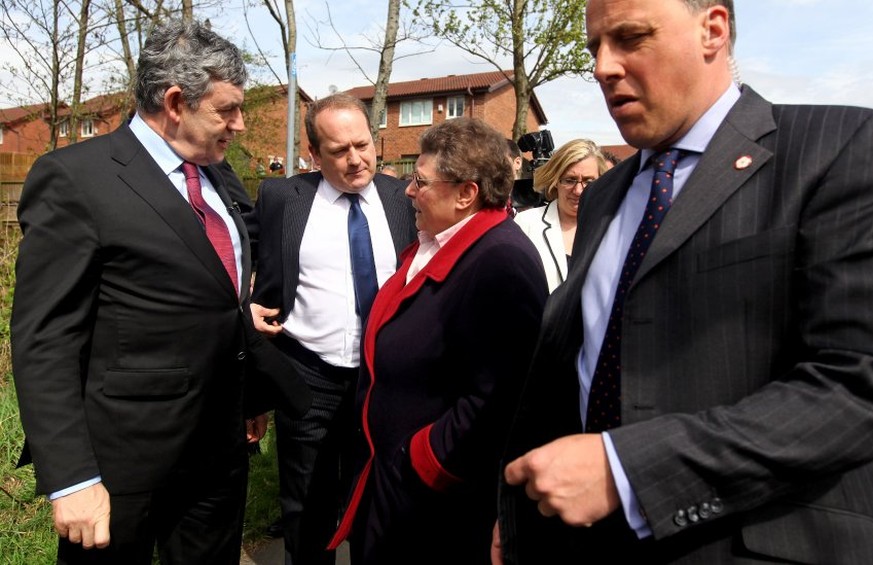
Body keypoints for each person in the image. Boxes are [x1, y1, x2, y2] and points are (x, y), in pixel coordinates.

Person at [496, 0, 873, 563]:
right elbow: (572, 364)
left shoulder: (838, 147)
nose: (602, 66)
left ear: (712, 30)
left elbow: (854, 383)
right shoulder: (604, 195)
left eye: (630, 37)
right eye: (594, 46)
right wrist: (514, 516)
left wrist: (631, 471)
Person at [11, 19, 310, 565]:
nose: (240, 125)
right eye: (227, 110)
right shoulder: (77, 178)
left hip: (219, 451)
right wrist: (72, 477)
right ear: (175, 102)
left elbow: (216, 292)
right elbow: (45, 339)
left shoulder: (220, 178)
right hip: (123, 463)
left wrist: (248, 389)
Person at [327, 117, 548, 564]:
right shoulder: (437, 239)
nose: (408, 190)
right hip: (393, 484)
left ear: (466, 193)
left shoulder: (499, 261)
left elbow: (501, 396)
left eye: (421, 181)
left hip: (434, 504)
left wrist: (424, 460)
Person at [248, 92, 417, 565]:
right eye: (339, 151)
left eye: (362, 145)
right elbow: (231, 254)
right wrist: (241, 306)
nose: (355, 159)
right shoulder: (282, 198)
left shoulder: (403, 199)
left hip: (382, 377)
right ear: (313, 153)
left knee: (375, 497)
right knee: (306, 505)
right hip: (307, 374)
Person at [513, 139, 607, 292]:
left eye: (588, 181)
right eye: (570, 180)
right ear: (555, 180)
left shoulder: (614, 227)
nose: (578, 190)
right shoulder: (526, 224)